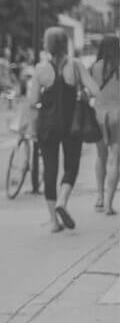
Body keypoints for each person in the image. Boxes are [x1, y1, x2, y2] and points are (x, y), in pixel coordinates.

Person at [28, 27, 101, 232]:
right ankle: (62, 200)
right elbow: (95, 89)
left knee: (49, 171)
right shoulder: (76, 65)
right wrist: (84, 91)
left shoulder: (41, 69)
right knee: (71, 166)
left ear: (47, 45)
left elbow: (32, 101)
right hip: (72, 125)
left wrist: (33, 128)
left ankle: (53, 221)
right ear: (65, 44)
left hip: (47, 127)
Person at [90, 35, 120, 215]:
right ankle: (109, 204)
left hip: (99, 115)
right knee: (115, 159)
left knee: (100, 156)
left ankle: (100, 197)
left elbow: (91, 90)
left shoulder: (95, 67)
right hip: (118, 115)